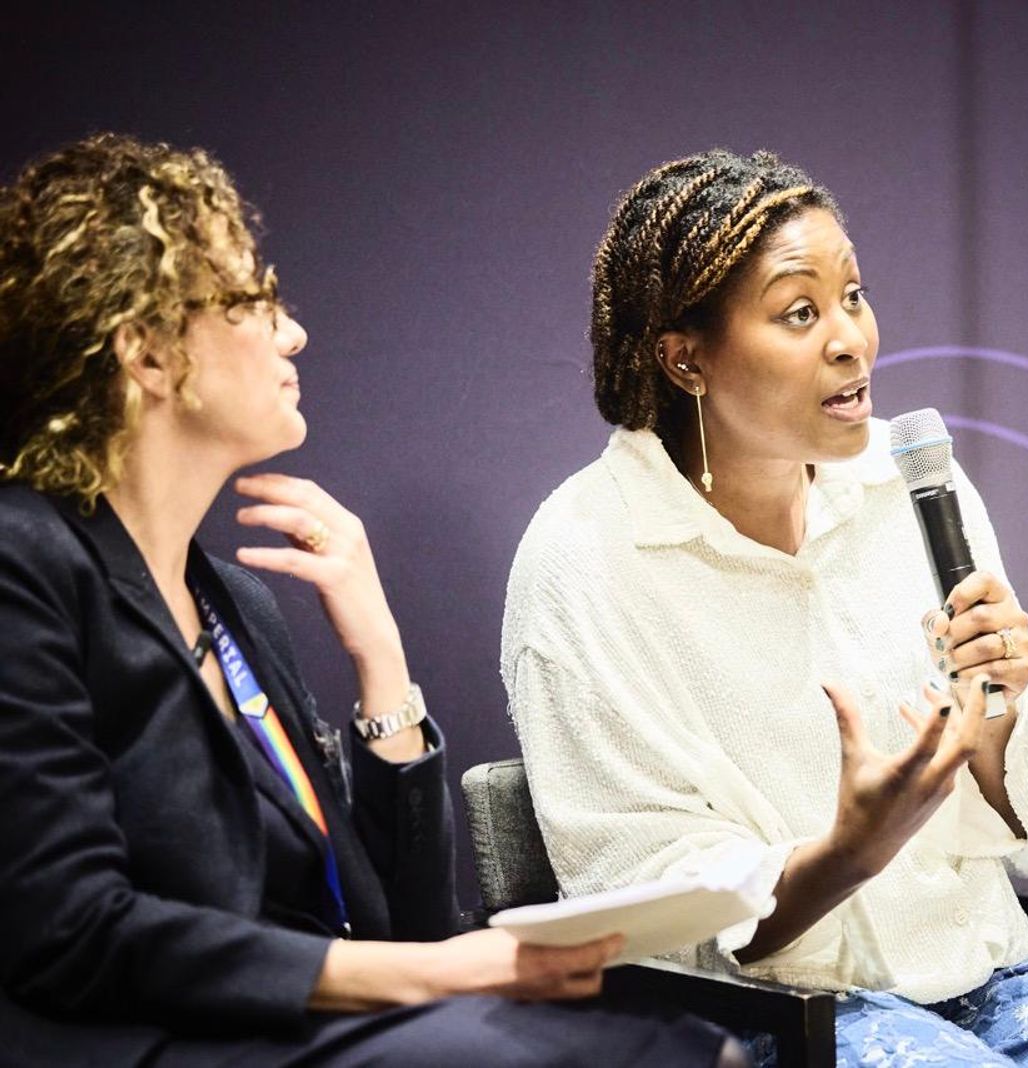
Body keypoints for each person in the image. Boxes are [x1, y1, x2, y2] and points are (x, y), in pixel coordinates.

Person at [501, 148, 1028, 1067]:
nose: (852, 338)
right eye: (801, 312)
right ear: (686, 361)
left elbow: (1024, 840)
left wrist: (993, 722)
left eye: (854, 295)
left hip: (989, 981)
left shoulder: (912, 482)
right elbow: (654, 909)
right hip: (762, 1022)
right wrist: (850, 849)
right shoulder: (587, 557)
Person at [0, 133, 741, 1067]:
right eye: (252, 300)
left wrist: (380, 657)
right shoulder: (23, 563)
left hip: (302, 1033)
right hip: (151, 1045)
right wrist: (446, 977)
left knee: (685, 1048)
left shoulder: (231, 603)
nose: (292, 332)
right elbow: (72, 932)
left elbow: (403, 926)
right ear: (147, 354)